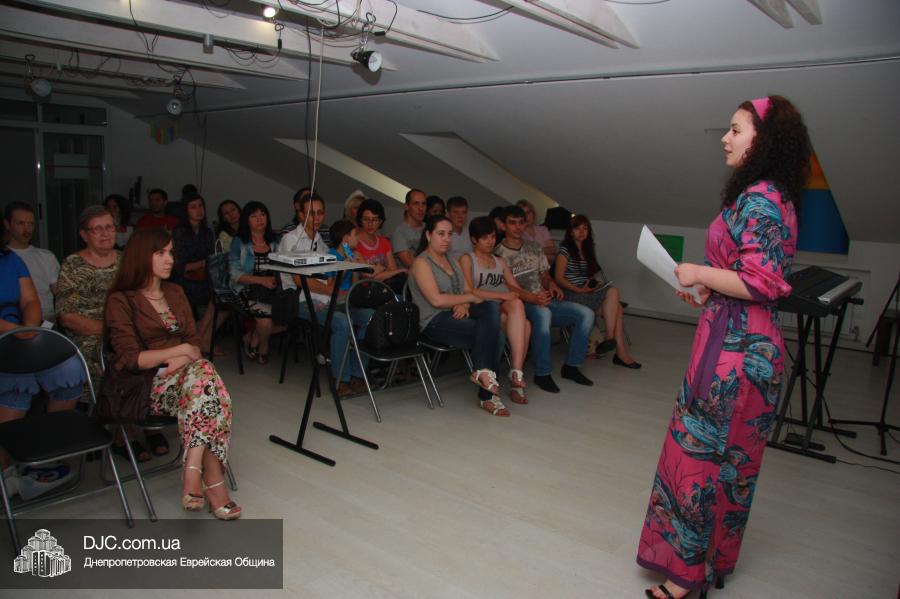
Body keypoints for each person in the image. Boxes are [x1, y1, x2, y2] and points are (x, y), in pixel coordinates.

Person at [638, 95, 810, 599]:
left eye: (736, 129)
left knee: (703, 460)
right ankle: (709, 559)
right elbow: (743, 276)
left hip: (737, 355)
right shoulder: (767, 194)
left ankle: (685, 576)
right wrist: (706, 290)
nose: (725, 138)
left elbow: (761, 282)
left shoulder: (761, 198)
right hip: (734, 336)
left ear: (764, 140)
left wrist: (697, 271)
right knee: (729, 461)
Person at [105, 228, 240, 521]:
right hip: (146, 385)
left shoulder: (175, 292)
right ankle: (212, 482)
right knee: (211, 389)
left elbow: (195, 344)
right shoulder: (121, 300)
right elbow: (131, 359)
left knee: (204, 379)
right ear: (142, 256)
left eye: (170, 252)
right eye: (161, 253)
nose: (170, 259)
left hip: (189, 379)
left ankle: (192, 469)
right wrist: (179, 353)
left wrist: (185, 356)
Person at [56, 206, 165, 461]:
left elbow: (147, 298)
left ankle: (150, 422)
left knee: (162, 351)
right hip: (91, 335)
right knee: (122, 361)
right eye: (97, 229)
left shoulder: (127, 260)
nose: (105, 233)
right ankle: (123, 434)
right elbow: (67, 317)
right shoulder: (73, 264)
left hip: (129, 330)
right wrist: (113, 331)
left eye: (109, 227)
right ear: (84, 235)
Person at [1, 236, 85, 479]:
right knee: (17, 382)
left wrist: (28, 327)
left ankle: (45, 450)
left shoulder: (10, 259)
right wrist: (16, 331)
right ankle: (6, 469)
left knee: (70, 370)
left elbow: (30, 300)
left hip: (20, 337)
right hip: (8, 339)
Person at [408, 216, 508, 416]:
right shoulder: (421, 263)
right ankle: (488, 395)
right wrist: (466, 298)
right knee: (494, 333)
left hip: (456, 312)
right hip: (434, 320)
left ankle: (482, 373)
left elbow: (466, 290)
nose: (446, 239)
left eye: (449, 234)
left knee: (490, 307)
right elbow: (436, 300)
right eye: (441, 234)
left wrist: (463, 302)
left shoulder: (451, 260)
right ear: (428, 235)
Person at [495, 205, 594, 393]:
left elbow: (544, 275)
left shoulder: (534, 247)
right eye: (512, 223)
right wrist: (533, 298)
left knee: (586, 314)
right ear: (503, 225)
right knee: (543, 314)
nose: (517, 227)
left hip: (543, 298)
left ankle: (572, 366)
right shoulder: (498, 253)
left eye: (521, 222)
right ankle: (542, 373)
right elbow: (507, 287)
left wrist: (552, 285)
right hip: (520, 304)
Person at [459, 216, 531, 404]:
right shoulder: (467, 259)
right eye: (485, 238)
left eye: (492, 236)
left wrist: (533, 295)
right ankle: (515, 383)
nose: (490, 241)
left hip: (503, 306)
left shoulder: (500, 261)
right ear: (474, 239)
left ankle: (516, 372)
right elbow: (469, 290)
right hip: (482, 307)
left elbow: (515, 289)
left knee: (520, 309)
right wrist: (501, 295)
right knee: (524, 326)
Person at [555, 215, 640, 368]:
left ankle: (613, 344)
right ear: (570, 231)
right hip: (570, 294)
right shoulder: (565, 250)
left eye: (585, 228)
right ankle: (617, 348)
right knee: (616, 305)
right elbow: (559, 278)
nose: (582, 232)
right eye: (577, 228)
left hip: (585, 292)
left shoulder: (588, 250)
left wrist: (594, 285)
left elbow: (587, 275)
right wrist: (580, 289)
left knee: (614, 296)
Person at [229, 201, 283, 364]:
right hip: (246, 290)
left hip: (272, 289)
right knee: (266, 321)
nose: (260, 219)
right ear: (246, 220)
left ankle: (253, 336)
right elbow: (234, 274)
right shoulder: (239, 241)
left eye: (263, 215)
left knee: (288, 314)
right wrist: (261, 280)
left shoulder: (276, 240)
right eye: (254, 216)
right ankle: (263, 347)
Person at [325, 219, 373, 395]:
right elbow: (329, 287)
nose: (358, 239)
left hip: (348, 302)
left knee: (371, 317)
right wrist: (345, 266)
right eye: (355, 235)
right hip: (332, 303)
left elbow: (354, 287)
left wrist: (356, 267)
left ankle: (357, 373)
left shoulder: (351, 254)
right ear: (346, 238)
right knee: (344, 323)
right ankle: (341, 378)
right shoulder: (331, 256)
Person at [171, 194, 220, 354]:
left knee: (223, 297)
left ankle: (200, 337)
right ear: (186, 211)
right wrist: (202, 263)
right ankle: (199, 339)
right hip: (182, 279)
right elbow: (179, 266)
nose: (199, 210)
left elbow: (211, 257)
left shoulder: (207, 232)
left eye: (200, 206)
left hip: (203, 277)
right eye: (193, 207)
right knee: (211, 296)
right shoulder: (180, 232)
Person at [3, 202, 59, 322]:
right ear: (7, 224)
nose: (27, 229)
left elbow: (60, 294)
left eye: (31, 224)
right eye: (21, 223)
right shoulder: (4, 259)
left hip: (46, 321)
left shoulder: (46, 256)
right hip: (12, 321)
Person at [355, 198, 407, 286]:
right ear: (360, 220)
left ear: (380, 221)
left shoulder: (384, 242)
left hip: (386, 288)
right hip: (364, 291)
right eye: (366, 219)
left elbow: (393, 271)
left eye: (375, 219)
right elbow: (369, 275)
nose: (370, 224)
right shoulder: (355, 244)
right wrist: (397, 270)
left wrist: (379, 270)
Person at [391, 188, 427, 268]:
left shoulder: (429, 227)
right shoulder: (399, 232)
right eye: (416, 204)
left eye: (423, 204)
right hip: (413, 274)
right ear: (406, 206)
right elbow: (410, 264)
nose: (421, 208)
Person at [445, 196, 472, 263]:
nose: (460, 216)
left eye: (463, 212)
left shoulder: (471, 232)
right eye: (456, 212)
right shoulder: (443, 234)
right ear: (448, 214)